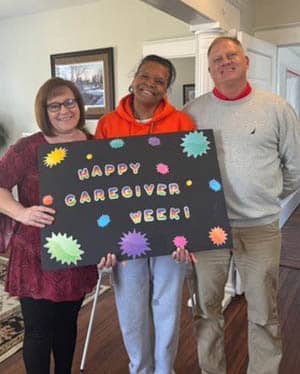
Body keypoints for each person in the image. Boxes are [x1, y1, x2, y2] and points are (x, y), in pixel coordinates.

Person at [184, 36, 300, 374]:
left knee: (264, 311)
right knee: (206, 309)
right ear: (210, 70)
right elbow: (179, 172)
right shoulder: (192, 113)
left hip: (261, 227)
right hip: (209, 228)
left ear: (246, 61)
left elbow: (294, 167)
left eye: (231, 54)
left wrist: (267, 197)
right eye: (217, 58)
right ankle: (211, 369)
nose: (225, 61)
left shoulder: (276, 108)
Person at [95, 54, 196, 374]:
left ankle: (165, 370)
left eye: (159, 81)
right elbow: (98, 184)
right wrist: (104, 240)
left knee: (166, 308)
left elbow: (191, 182)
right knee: (131, 310)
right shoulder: (108, 124)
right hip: (126, 237)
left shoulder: (182, 123)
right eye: (145, 76)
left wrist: (188, 236)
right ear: (134, 77)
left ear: (167, 88)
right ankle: (140, 368)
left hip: (169, 235)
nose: (150, 84)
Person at [0, 77, 101, 374]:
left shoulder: (95, 146)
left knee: (67, 325)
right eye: (54, 105)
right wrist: (20, 212)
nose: (64, 111)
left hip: (78, 252)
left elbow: (105, 203)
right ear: (44, 110)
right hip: (35, 254)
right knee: (39, 330)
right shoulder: (28, 147)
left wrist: (107, 243)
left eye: (69, 102)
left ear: (79, 106)